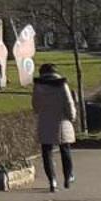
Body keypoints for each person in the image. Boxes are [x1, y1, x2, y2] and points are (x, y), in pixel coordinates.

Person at [31, 63, 78, 191]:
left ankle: (52, 181)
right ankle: (68, 177)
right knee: (65, 149)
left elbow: (35, 106)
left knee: (47, 152)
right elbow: (69, 103)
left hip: (45, 121)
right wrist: (72, 117)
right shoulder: (62, 84)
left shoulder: (38, 86)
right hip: (62, 121)